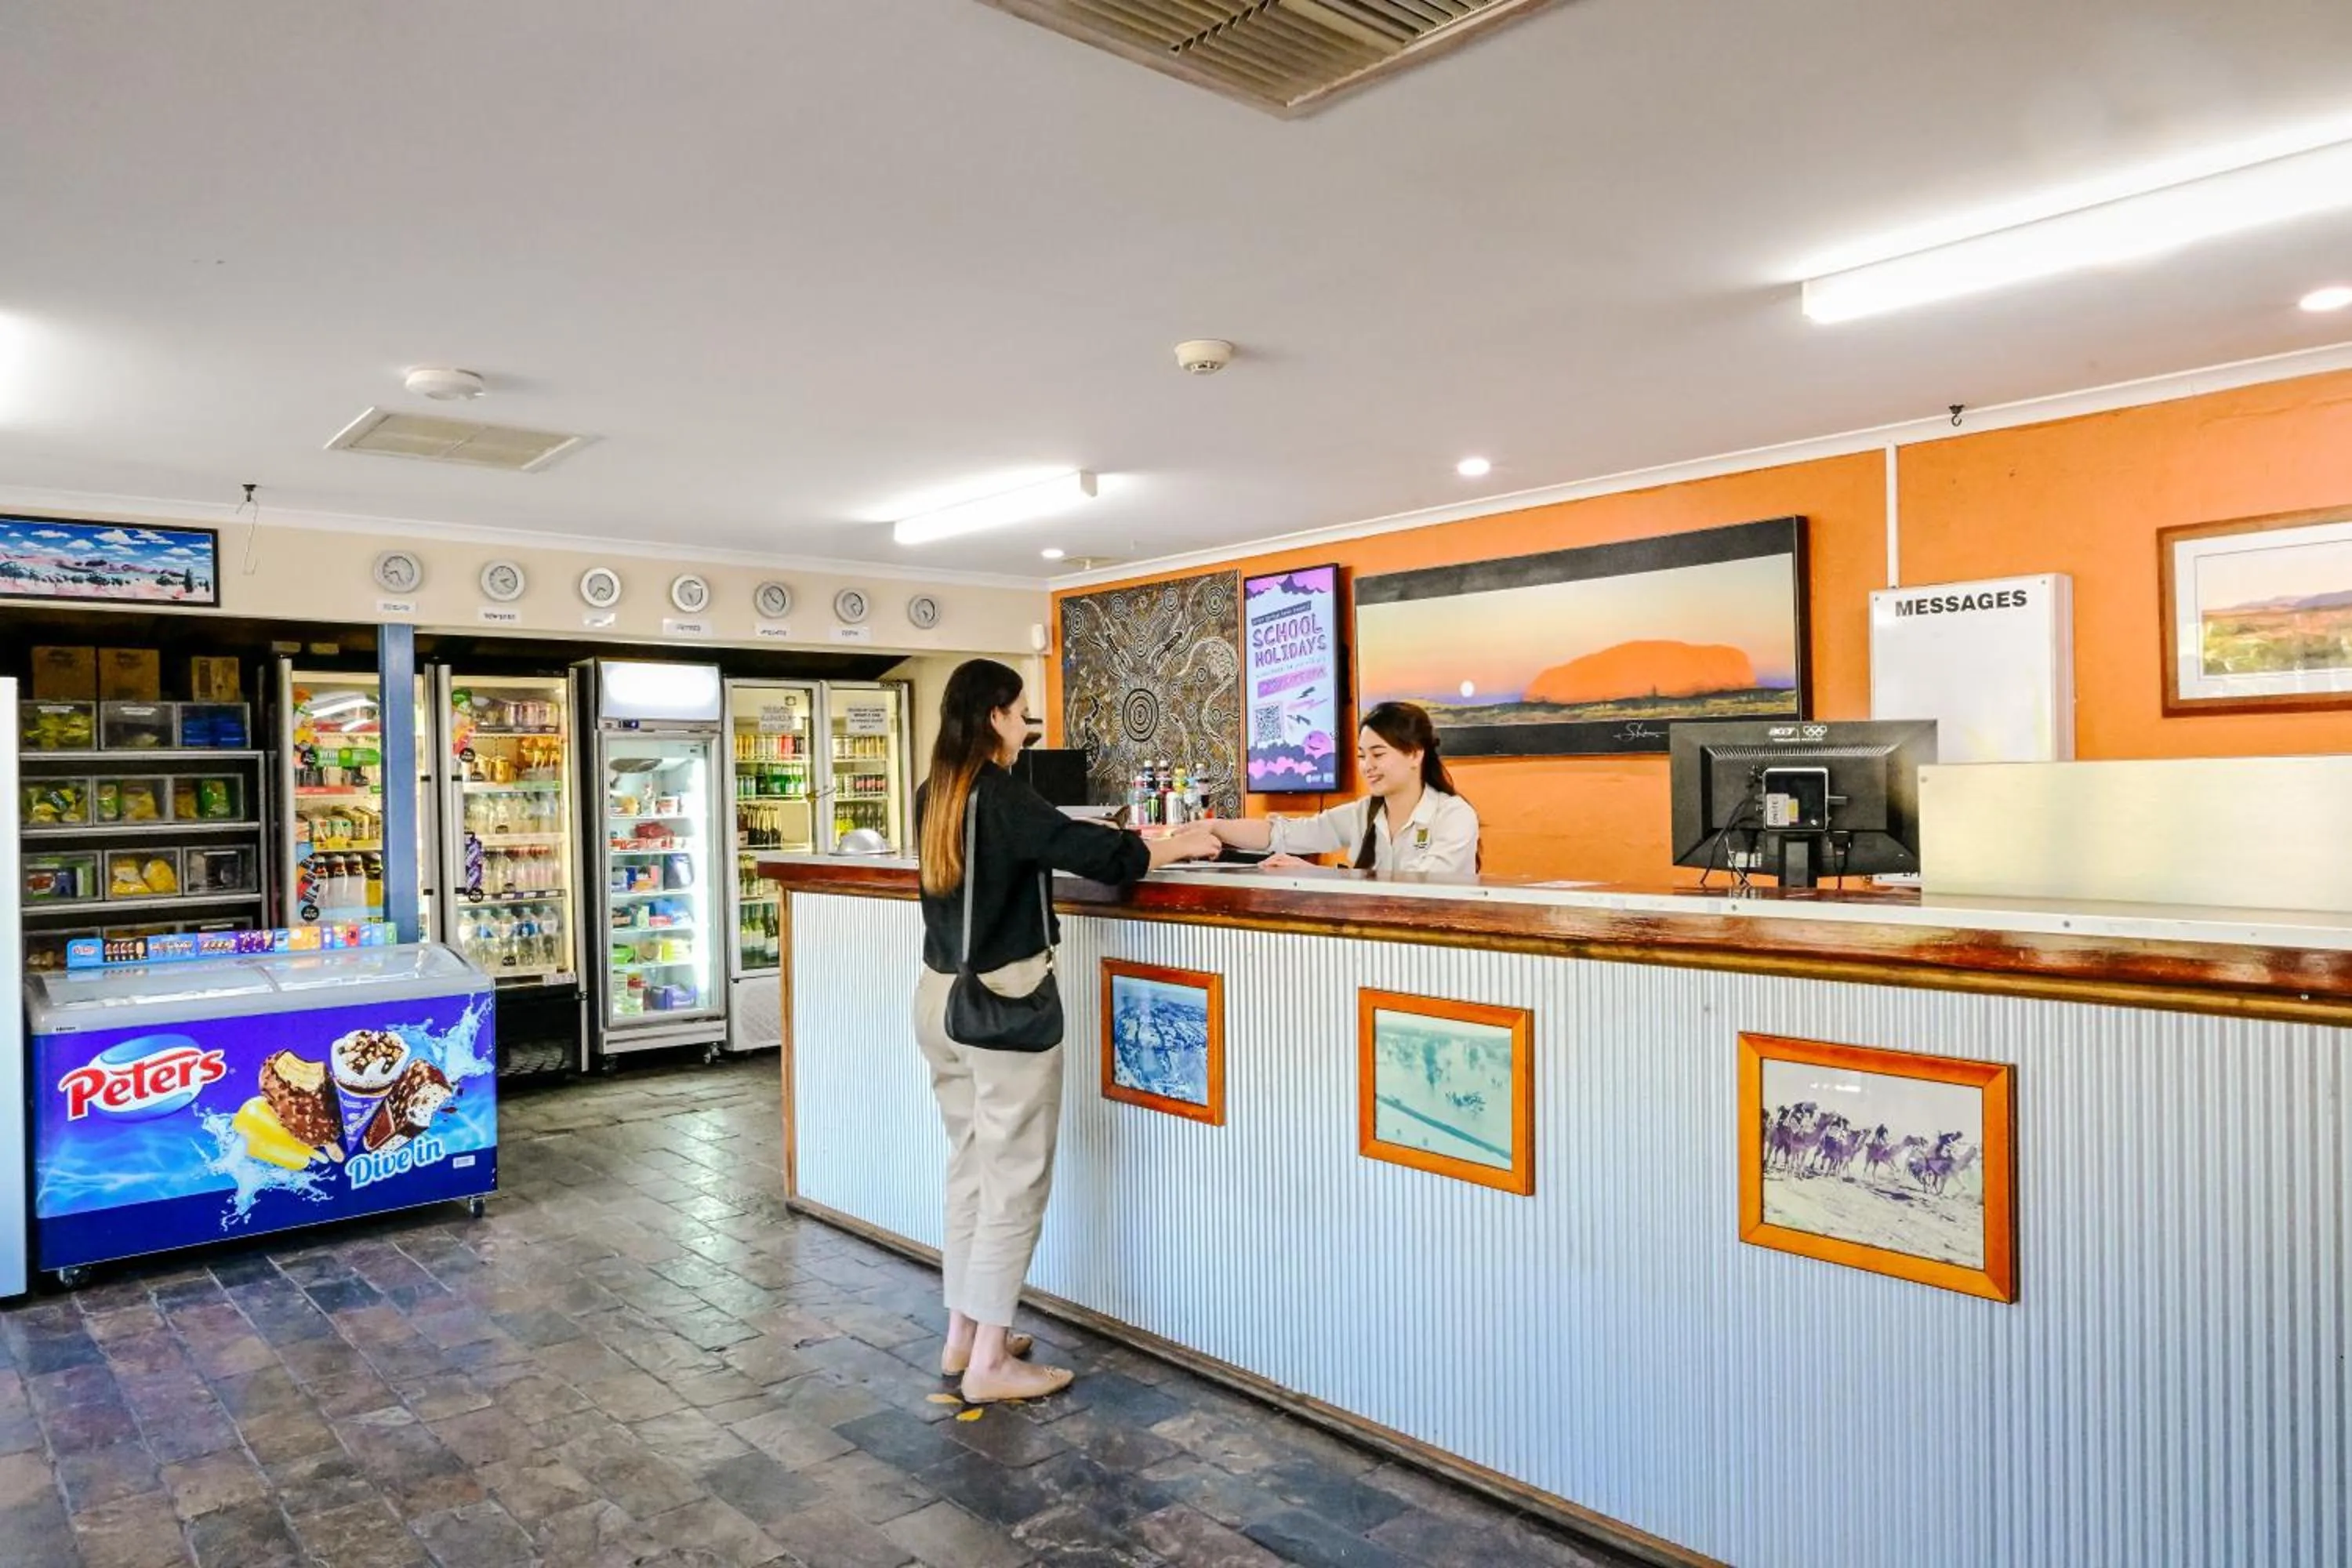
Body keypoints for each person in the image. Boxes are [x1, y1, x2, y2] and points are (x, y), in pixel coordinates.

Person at [913, 658, 1217, 1403]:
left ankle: (962, 1335)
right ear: (994, 719)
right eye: (1022, 716)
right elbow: (1106, 854)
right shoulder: (1005, 798)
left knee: (972, 1168)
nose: (1026, 729)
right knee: (1015, 1182)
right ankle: (990, 1362)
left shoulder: (935, 794)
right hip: (1003, 1000)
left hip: (938, 996)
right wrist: (1179, 844)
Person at [1204, 700, 1479, 876]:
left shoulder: (1454, 816)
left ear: (1415, 755)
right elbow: (1286, 834)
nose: (1367, 766)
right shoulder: (1363, 813)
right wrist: (1213, 827)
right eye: (1362, 756)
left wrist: (1319, 876)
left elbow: (1418, 890)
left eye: (1378, 754)